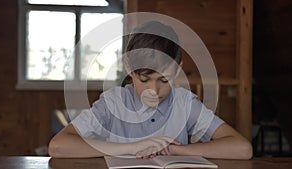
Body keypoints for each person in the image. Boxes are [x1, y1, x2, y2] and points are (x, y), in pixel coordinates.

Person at [48, 21, 252, 159]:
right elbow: (58, 146)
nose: (153, 90)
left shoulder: (184, 103)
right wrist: (133, 148)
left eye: (164, 79)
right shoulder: (113, 103)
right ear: (129, 67)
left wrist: (172, 150)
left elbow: (242, 149)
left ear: (179, 67)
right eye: (144, 79)